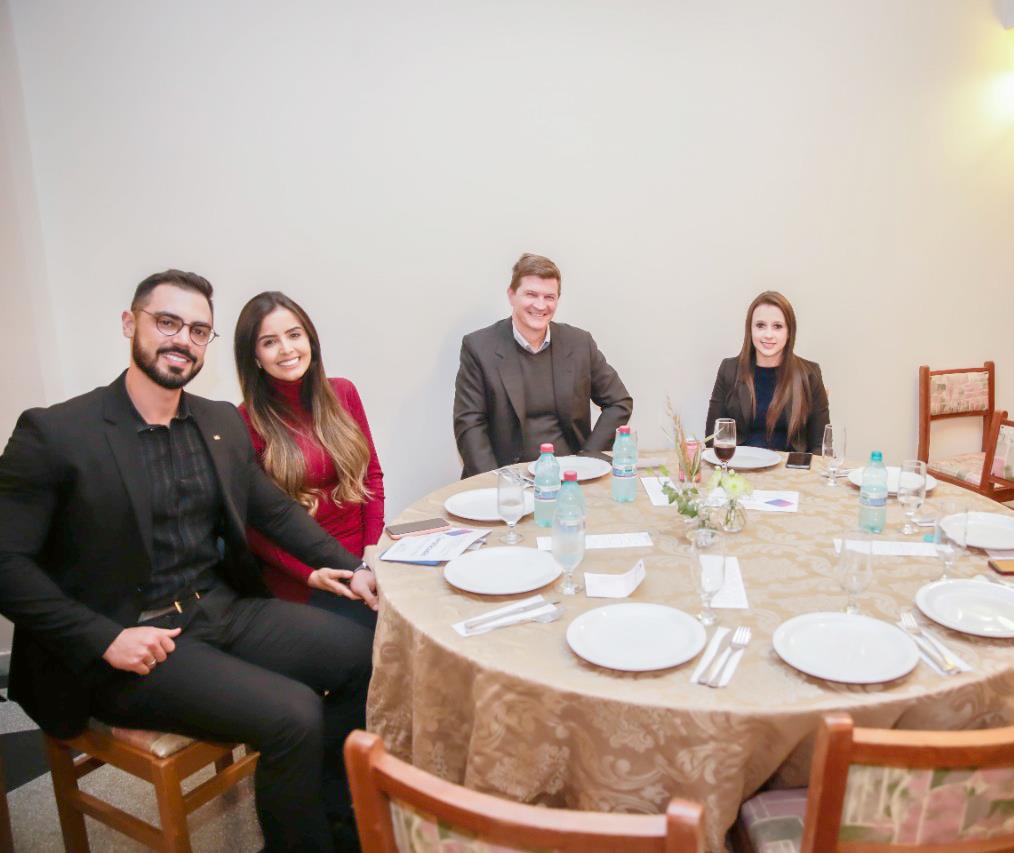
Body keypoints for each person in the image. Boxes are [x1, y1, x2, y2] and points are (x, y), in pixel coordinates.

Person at [0, 270, 375, 852]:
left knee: (366, 653)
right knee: (294, 714)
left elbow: (275, 512)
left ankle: (329, 819)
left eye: (199, 330)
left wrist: (353, 568)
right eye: (167, 322)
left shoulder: (217, 420)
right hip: (131, 641)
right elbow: (6, 561)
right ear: (130, 324)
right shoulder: (57, 432)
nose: (183, 339)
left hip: (218, 609)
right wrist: (103, 638)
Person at [234, 291, 383, 632]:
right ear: (254, 356)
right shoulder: (244, 422)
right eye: (270, 342)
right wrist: (310, 575)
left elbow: (371, 476)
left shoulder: (343, 392)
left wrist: (372, 550)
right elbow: (252, 527)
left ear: (310, 340)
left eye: (294, 335)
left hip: (365, 558)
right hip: (307, 576)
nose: (287, 349)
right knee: (373, 641)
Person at [453, 253, 633, 477]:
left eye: (549, 297)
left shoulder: (579, 343)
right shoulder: (479, 347)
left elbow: (619, 402)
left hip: (570, 476)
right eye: (531, 294)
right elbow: (469, 424)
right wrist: (496, 481)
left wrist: (589, 458)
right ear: (511, 295)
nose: (540, 305)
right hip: (506, 476)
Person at [704, 291, 830, 452]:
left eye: (777, 326)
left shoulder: (810, 374)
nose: (768, 335)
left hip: (790, 467)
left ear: (789, 332)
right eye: (760, 325)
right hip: (740, 465)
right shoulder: (728, 369)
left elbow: (820, 447)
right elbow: (713, 439)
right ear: (750, 330)